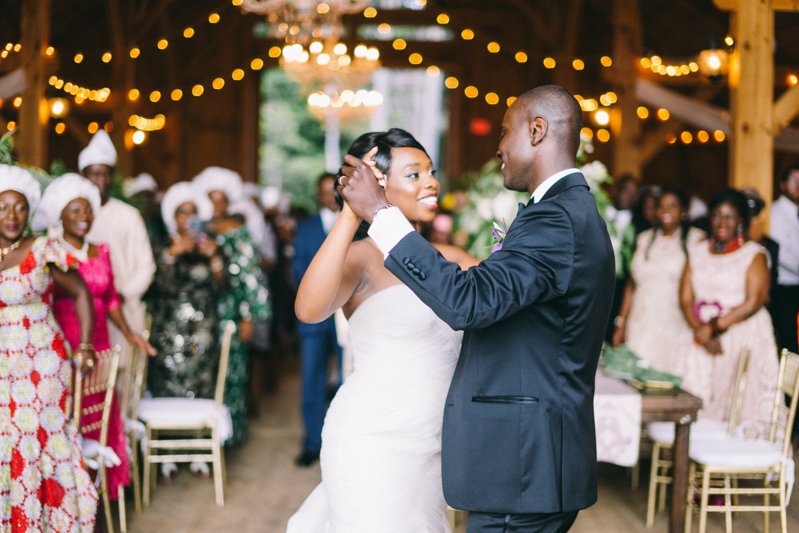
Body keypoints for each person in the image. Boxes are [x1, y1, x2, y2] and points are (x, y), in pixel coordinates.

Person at [339, 86, 615, 532]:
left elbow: (468, 303)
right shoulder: (568, 212)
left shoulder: (557, 218)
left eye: (505, 133)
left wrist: (379, 213)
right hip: (530, 461)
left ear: (538, 130)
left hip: (522, 466)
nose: (499, 146)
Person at [288, 129, 479, 532]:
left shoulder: (455, 259)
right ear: (379, 185)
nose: (431, 182)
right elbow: (307, 310)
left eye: (431, 171)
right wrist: (352, 212)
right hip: (369, 439)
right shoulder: (361, 260)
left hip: (433, 447)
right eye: (414, 174)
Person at [32, 173, 156, 504]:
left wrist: (130, 334)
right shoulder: (49, 253)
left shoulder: (101, 250)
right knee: (68, 414)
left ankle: (102, 494)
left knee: (100, 415)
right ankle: (70, 493)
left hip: (99, 343)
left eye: (89, 211)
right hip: (65, 345)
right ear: (60, 216)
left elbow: (111, 298)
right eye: (76, 211)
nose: (85, 217)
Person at [0, 165, 99, 532]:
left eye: (20, 207)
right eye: (3, 207)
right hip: (2, 367)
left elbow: (81, 293)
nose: (12, 216)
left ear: (30, 211)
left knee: (38, 438)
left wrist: (85, 346)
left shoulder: (43, 248)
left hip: (43, 363)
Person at [679, 189, 779, 438]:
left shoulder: (754, 254)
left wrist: (713, 327)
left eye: (730, 217)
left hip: (743, 334)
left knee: (742, 401)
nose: (722, 223)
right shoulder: (698, 251)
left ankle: (741, 458)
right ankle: (700, 457)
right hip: (701, 334)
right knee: (700, 400)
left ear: (741, 221)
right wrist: (701, 332)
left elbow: (754, 301)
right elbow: (685, 297)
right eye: (717, 216)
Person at [193, 167, 270, 447]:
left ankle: (230, 436)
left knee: (231, 373)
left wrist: (249, 317)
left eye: (220, 200)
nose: (215, 206)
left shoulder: (238, 233)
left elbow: (252, 278)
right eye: (210, 199)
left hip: (232, 313)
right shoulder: (196, 231)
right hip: (202, 313)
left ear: (228, 203)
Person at [80, 131, 156, 371]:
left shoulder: (128, 215)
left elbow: (147, 266)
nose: (101, 179)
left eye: (106, 173)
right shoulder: (71, 216)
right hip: (81, 316)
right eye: (95, 173)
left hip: (124, 309)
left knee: (123, 379)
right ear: (83, 176)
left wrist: (120, 295)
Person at [612, 187, 705, 374]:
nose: (666, 211)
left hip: (674, 324)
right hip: (640, 322)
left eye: (672, 206)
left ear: (684, 210)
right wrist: (620, 323)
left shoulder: (696, 240)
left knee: (667, 380)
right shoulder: (643, 239)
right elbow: (632, 284)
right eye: (661, 206)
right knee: (635, 377)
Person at [290, 173, 344, 467]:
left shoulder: (356, 223)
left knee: (351, 376)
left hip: (347, 313)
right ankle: (312, 442)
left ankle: (346, 442)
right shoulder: (305, 227)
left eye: (331, 189)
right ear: (317, 194)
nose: (328, 195)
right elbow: (298, 270)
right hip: (314, 317)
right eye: (322, 191)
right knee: (311, 378)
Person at [768, 166, 799, 354]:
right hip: (785, 290)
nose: (798, 186)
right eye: (793, 181)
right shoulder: (775, 212)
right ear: (782, 185)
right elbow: (783, 255)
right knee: (790, 343)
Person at [125, 172, 168, 252]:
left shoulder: (158, 222)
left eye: (148, 196)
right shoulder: (128, 220)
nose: (145, 200)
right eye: (141, 196)